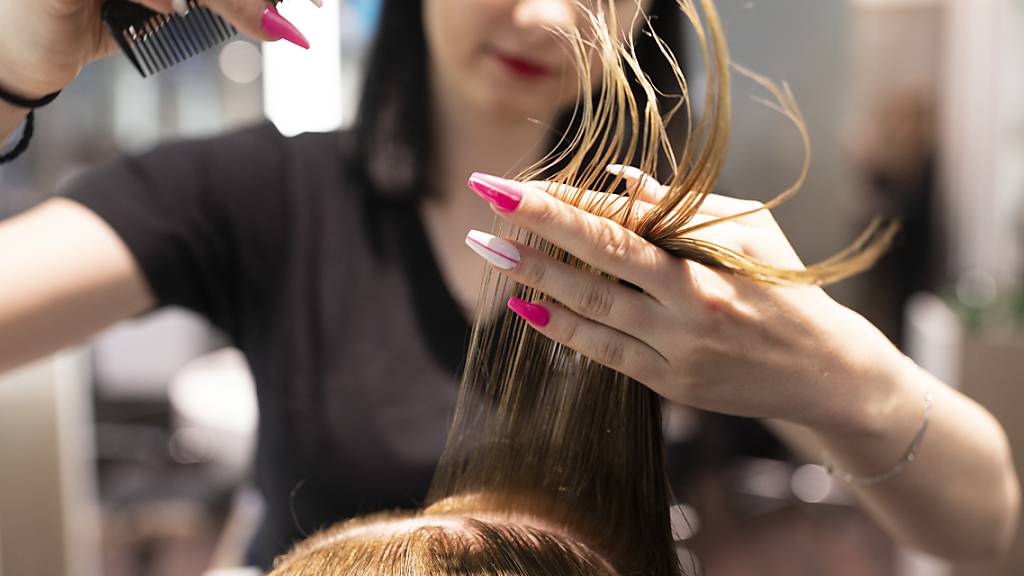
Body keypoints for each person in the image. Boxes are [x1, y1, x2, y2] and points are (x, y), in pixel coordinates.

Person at [0, 0, 1018, 570]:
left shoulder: (691, 254)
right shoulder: (259, 198)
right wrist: (10, 69)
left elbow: (987, 527)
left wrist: (835, 376)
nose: (538, 13)